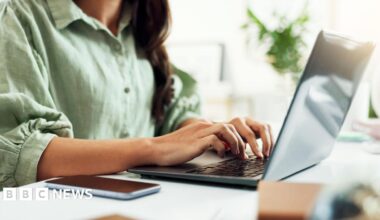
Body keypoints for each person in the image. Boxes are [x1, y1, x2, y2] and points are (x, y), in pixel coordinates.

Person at [0, 0, 274, 188]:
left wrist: (212, 134)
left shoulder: (140, 23)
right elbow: (21, 154)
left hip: (147, 203)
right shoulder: (17, 14)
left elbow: (171, 114)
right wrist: (154, 148)